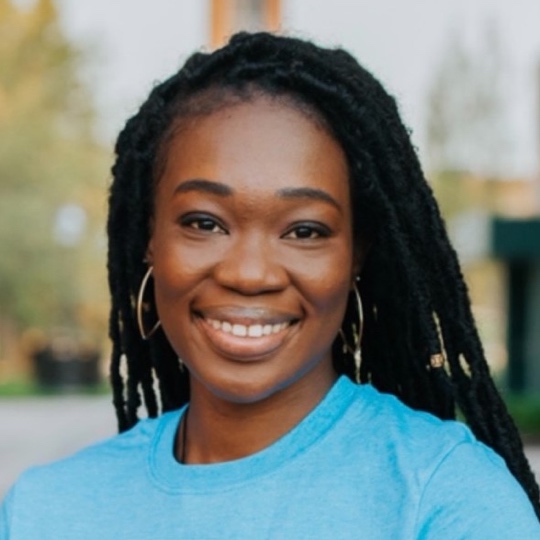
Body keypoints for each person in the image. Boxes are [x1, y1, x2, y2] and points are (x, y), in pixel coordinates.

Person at [1, 31, 539, 538]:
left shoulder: (447, 502)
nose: (249, 273)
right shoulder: (45, 511)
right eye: (204, 223)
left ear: (356, 255)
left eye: (304, 230)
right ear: (149, 238)